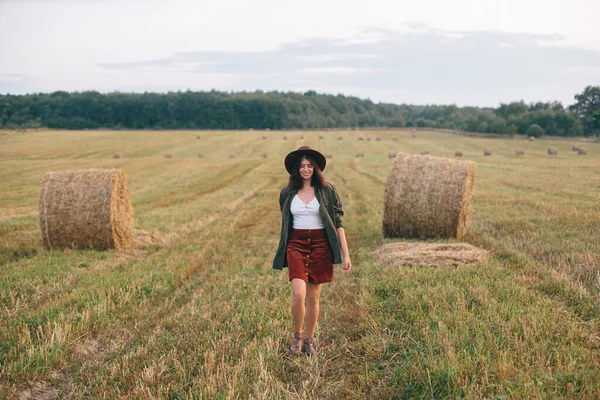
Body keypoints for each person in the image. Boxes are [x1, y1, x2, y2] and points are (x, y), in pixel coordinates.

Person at [272, 146, 351, 356]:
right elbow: (286, 219)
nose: (305, 170)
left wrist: (346, 253)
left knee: (313, 298)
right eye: (302, 166)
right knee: (299, 294)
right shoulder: (287, 193)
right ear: (296, 170)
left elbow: (338, 222)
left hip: (320, 246)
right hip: (296, 244)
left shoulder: (328, 191)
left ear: (315, 169)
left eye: (309, 166)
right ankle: (296, 337)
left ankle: (309, 341)